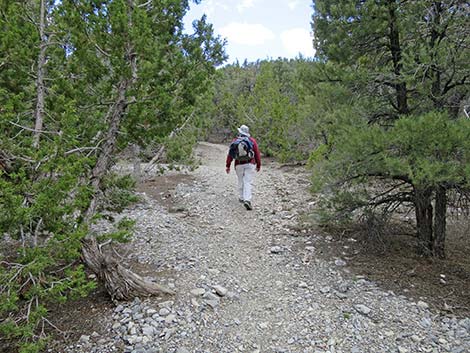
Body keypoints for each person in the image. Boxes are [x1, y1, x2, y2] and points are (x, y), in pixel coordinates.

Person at [226, 125, 261, 210]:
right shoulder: (252, 140)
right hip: (250, 164)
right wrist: (258, 165)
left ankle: (241, 197)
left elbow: (230, 154)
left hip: (239, 164)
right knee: (247, 181)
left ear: (240, 132)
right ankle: (247, 200)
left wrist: (228, 165)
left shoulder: (235, 141)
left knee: (241, 180)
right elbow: (257, 153)